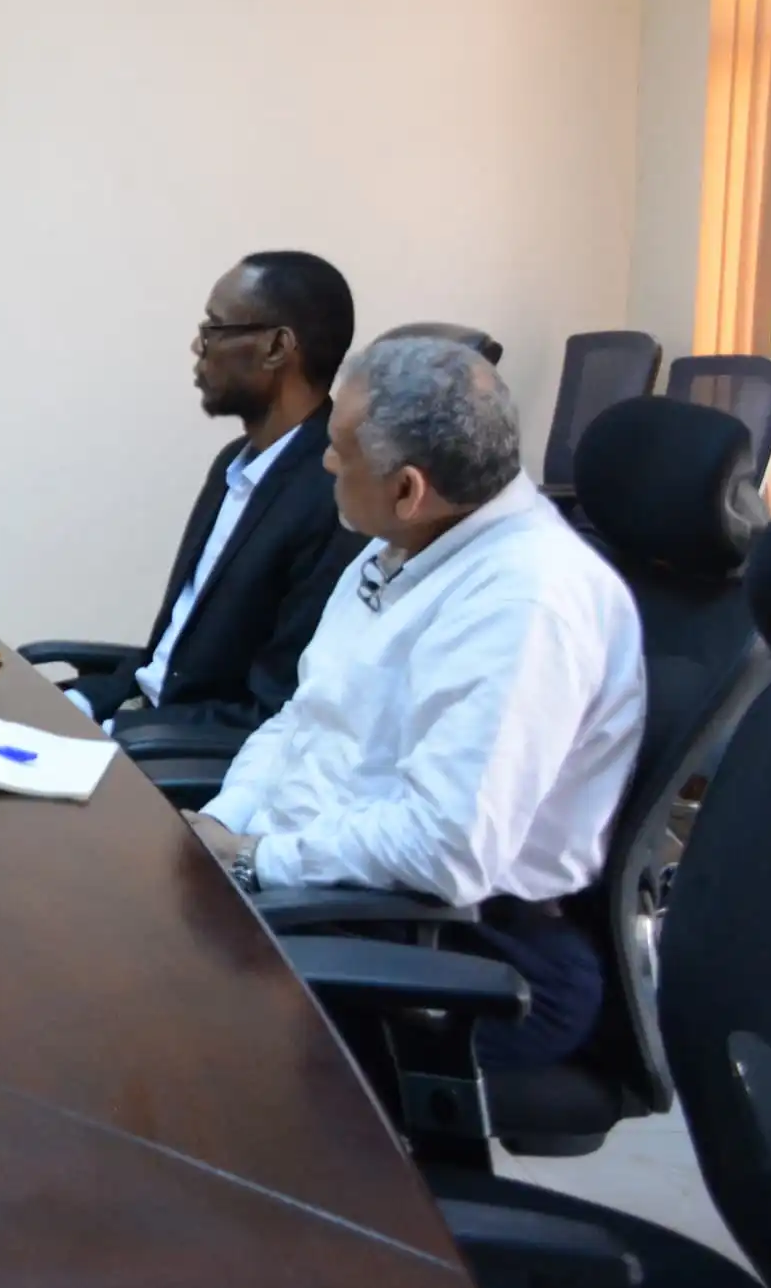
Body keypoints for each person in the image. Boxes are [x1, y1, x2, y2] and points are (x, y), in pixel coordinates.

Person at [186, 336, 647, 1066]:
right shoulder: (403, 546)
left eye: (338, 448)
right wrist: (224, 820)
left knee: (145, 1010)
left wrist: (256, 861)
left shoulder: (525, 604)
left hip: (459, 948)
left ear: (408, 488)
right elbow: (304, 715)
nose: (324, 462)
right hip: (326, 889)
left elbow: (444, 849)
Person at [64, 251, 365, 737]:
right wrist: (80, 702)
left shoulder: (334, 499)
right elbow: (170, 657)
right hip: (142, 719)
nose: (197, 346)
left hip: (179, 750)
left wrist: (121, 730)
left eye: (214, 329)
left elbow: (272, 709)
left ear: (276, 348)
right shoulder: (234, 464)